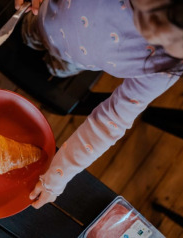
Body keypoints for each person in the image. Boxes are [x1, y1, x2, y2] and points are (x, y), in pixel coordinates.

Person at [14, 0, 183, 209]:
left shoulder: (165, 68)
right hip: (43, 14)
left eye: (164, 41)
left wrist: (56, 178)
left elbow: (110, 121)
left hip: (74, 59)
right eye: (147, 13)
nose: (144, 30)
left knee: (55, 68)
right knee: (27, 34)